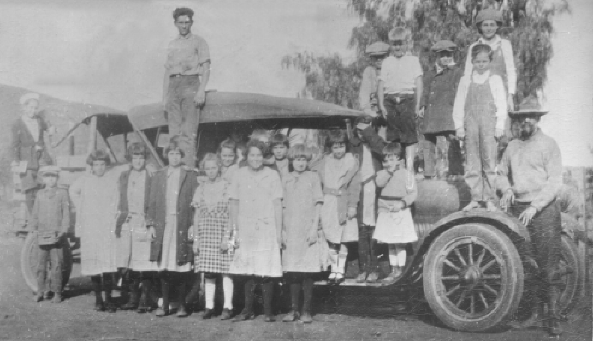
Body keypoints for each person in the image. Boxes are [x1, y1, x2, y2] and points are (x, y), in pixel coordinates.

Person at [498, 96, 563, 337]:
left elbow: (555, 181)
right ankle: (531, 314)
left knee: (548, 268)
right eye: (521, 117)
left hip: (542, 211)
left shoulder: (549, 144)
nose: (525, 120)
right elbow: (500, 173)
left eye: (530, 116)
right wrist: (505, 188)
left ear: (537, 119)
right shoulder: (512, 146)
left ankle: (553, 317)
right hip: (517, 212)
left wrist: (535, 206)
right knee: (525, 264)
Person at [228, 140, 283, 322]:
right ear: (246, 157)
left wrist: (279, 231)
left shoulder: (272, 175)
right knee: (248, 268)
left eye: (259, 155)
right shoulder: (239, 174)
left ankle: (268, 311)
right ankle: (248, 309)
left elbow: (277, 204)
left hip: (266, 226)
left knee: (267, 267)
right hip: (245, 226)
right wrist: (234, 230)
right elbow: (234, 203)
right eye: (252, 155)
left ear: (264, 157)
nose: (256, 159)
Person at [146, 142, 198, 318]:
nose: (174, 157)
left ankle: (182, 305)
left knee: (181, 265)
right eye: (171, 153)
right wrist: (151, 224)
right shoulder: (159, 175)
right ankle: (165, 304)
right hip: (164, 225)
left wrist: (192, 224)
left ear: (182, 156)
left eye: (178, 153)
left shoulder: (190, 175)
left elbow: (194, 203)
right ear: (166, 155)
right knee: (164, 265)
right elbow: (152, 202)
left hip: (181, 225)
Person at [453, 44, 507, 212]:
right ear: (473, 61)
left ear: (490, 61)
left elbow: (501, 104)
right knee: (472, 161)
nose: (481, 64)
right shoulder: (465, 80)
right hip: (471, 124)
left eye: (484, 61)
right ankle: (476, 197)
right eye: (478, 61)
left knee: (489, 161)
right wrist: (459, 126)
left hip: (489, 124)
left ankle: (489, 199)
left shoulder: (495, 79)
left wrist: (499, 125)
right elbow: (459, 104)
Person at [69, 149, 122, 313]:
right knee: (94, 264)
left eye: (102, 165)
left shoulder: (111, 180)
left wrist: (112, 216)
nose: (99, 168)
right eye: (96, 165)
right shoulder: (85, 180)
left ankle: (109, 299)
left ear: (106, 165)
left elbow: (116, 200)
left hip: (105, 226)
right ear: (91, 166)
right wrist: (82, 208)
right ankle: (99, 300)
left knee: (106, 263)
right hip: (90, 227)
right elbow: (72, 191)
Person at [281, 144, 325, 323]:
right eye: (297, 159)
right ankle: (293, 309)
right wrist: (282, 230)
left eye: (303, 160)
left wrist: (314, 227)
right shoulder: (285, 178)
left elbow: (318, 203)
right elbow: (281, 205)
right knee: (293, 271)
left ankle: (306, 310)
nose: (300, 163)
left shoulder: (313, 177)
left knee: (307, 271)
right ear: (291, 160)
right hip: (290, 229)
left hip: (307, 229)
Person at [163, 7, 211, 168]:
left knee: (188, 133)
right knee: (174, 133)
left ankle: (188, 169)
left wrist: (201, 90)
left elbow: (206, 67)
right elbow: (168, 71)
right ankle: (175, 169)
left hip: (191, 84)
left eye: (187, 22)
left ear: (191, 22)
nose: (184, 25)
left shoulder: (199, 41)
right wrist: (165, 97)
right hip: (173, 87)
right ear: (175, 23)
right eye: (181, 22)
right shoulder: (172, 44)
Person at [188, 153, 234, 320]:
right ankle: (209, 306)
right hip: (205, 233)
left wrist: (226, 238)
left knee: (226, 271)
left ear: (219, 168)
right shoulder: (201, 189)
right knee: (208, 272)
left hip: (222, 231)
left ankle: (228, 306)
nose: (210, 171)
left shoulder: (227, 186)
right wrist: (196, 239)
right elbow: (196, 215)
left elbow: (231, 214)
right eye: (207, 168)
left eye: (213, 167)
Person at [312, 130, 360, 284]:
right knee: (331, 237)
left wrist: (352, 205)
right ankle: (333, 268)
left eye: (341, 146)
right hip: (328, 202)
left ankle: (341, 269)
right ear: (330, 148)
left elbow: (354, 186)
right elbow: (314, 175)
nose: (338, 150)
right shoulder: (324, 161)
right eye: (335, 147)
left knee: (344, 238)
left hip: (344, 201)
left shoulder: (351, 161)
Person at [115, 143, 157, 313]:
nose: (138, 161)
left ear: (145, 159)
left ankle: (144, 300)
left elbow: (154, 200)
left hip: (142, 221)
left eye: (141, 158)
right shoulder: (124, 175)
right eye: (135, 158)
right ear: (130, 160)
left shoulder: (150, 175)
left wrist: (151, 222)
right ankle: (132, 298)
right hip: (128, 220)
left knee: (143, 261)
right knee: (129, 261)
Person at [377, 27, 423, 183]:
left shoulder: (413, 60)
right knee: (394, 138)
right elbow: (381, 84)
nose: (397, 47)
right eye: (394, 44)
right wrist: (382, 106)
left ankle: (409, 170)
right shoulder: (387, 62)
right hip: (390, 101)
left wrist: (417, 105)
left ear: (406, 44)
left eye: (400, 44)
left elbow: (418, 83)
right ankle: (395, 170)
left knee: (409, 138)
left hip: (407, 100)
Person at [373, 143, 418, 284]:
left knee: (399, 243)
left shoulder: (406, 174)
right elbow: (379, 183)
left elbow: (413, 193)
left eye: (392, 159)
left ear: (399, 159)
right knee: (390, 244)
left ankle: (400, 270)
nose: (388, 163)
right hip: (386, 212)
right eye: (385, 160)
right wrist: (388, 172)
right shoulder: (382, 173)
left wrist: (403, 203)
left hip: (400, 212)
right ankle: (393, 269)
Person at [420, 40, 464, 178]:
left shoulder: (456, 72)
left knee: (453, 141)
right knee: (428, 142)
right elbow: (424, 91)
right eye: (442, 55)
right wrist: (422, 106)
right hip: (431, 113)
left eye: (449, 55)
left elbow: (460, 91)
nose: (446, 58)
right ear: (436, 57)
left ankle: (456, 172)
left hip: (448, 112)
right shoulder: (428, 74)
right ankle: (429, 172)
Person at [349, 117, 386, 283]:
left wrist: (369, 133)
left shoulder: (376, 144)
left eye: (366, 130)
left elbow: (383, 149)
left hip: (374, 189)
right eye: (359, 130)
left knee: (374, 231)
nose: (362, 134)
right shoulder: (354, 146)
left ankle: (374, 269)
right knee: (362, 232)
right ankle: (363, 269)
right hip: (360, 190)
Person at [30, 166, 69, 303]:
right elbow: (35, 213)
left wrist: (63, 229)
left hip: (57, 235)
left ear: (57, 178)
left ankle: (57, 292)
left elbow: (66, 213)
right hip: (42, 234)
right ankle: (41, 291)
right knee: (40, 265)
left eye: (53, 176)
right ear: (43, 178)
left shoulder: (62, 193)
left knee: (57, 265)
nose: (50, 179)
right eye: (47, 176)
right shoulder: (40, 194)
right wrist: (34, 228)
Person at [464, 8, 516, 112]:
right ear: (480, 26)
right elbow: (468, 73)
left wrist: (510, 96)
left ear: (497, 26)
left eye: (492, 25)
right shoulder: (474, 46)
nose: (489, 28)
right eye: (485, 25)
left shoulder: (504, 44)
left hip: (500, 94)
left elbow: (511, 71)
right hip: (479, 95)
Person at [11, 93, 54, 215]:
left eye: (35, 108)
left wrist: (51, 129)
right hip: (26, 160)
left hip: (41, 158)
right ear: (24, 107)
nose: (33, 110)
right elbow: (15, 144)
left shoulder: (39, 120)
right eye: (30, 107)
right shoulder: (17, 124)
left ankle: (44, 215)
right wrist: (16, 161)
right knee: (30, 188)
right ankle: (34, 218)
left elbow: (49, 129)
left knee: (43, 185)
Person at [359, 41, 390, 139]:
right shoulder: (369, 72)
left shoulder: (392, 69)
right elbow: (364, 94)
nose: (379, 60)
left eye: (382, 57)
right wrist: (368, 110)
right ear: (371, 58)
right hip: (375, 112)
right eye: (376, 57)